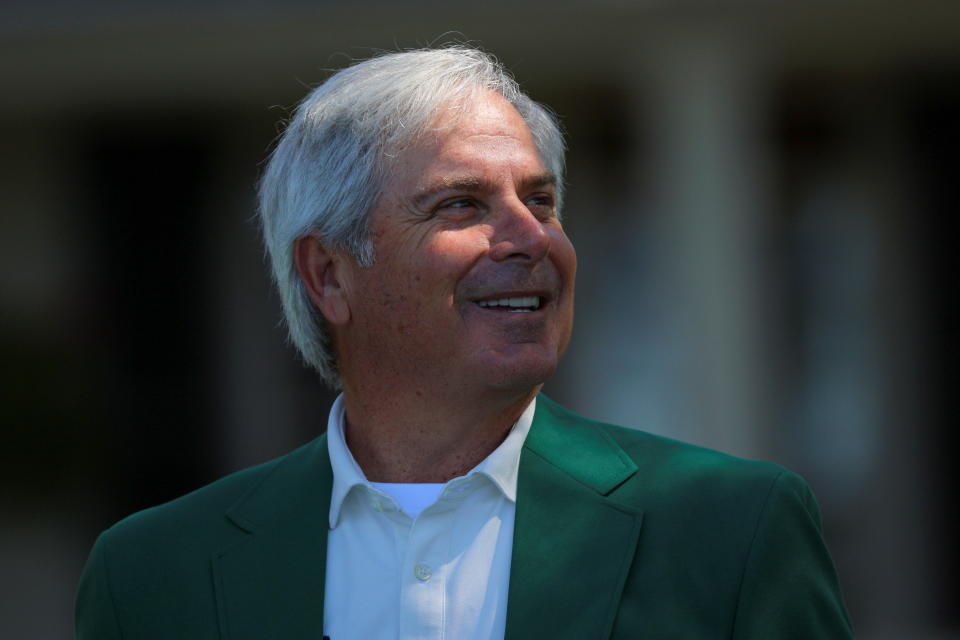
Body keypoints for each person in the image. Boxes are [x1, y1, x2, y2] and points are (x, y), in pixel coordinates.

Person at [76, 46, 854, 639]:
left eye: (541, 201)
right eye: (460, 204)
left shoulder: (734, 530)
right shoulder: (150, 572)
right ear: (328, 275)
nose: (530, 237)